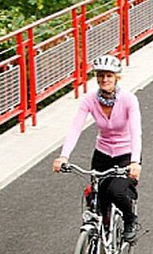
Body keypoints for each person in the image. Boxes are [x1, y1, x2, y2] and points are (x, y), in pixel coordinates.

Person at [53, 53, 142, 240]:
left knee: (115, 191)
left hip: (126, 154)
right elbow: (75, 128)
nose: (104, 79)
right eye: (100, 75)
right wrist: (63, 156)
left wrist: (135, 161)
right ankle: (101, 237)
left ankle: (129, 220)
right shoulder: (89, 100)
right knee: (95, 198)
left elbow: (136, 131)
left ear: (117, 77)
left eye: (109, 75)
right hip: (102, 153)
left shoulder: (128, 99)